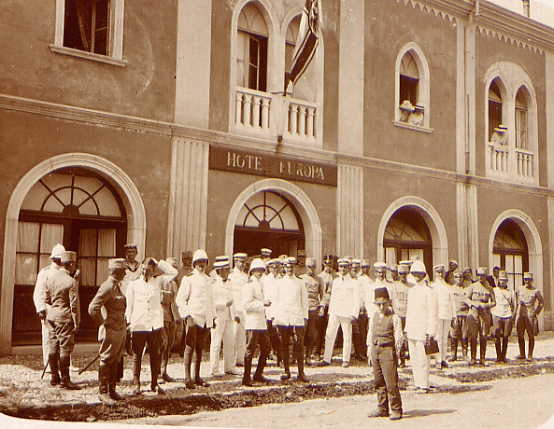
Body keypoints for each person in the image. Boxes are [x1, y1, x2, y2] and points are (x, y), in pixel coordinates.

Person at [126, 257, 178, 395]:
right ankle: (136, 383)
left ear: (153, 271)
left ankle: (154, 383)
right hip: (139, 323)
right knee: (137, 354)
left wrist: (158, 262)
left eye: (148, 270)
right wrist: (129, 322)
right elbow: (129, 306)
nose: (145, 272)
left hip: (155, 324)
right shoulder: (133, 285)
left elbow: (173, 273)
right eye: (143, 269)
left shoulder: (158, 282)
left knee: (156, 354)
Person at [38, 250, 81, 390]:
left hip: (51, 316)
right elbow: (74, 305)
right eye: (74, 264)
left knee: (53, 346)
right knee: (65, 349)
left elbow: (46, 299)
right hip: (64, 317)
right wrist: (76, 321)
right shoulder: (71, 281)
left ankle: (54, 377)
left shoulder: (50, 278)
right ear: (71, 264)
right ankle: (65, 379)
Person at [88, 258, 128, 404]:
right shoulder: (107, 287)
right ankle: (103, 392)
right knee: (106, 358)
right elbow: (93, 308)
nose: (125, 273)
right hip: (111, 330)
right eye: (123, 271)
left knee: (116, 359)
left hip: (119, 329)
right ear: (116, 272)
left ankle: (112, 390)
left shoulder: (117, 286)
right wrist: (103, 323)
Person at [176, 249, 215, 389]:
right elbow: (180, 300)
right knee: (189, 347)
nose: (201, 264)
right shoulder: (189, 279)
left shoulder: (209, 280)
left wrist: (213, 317)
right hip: (193, 318)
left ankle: (197, 377)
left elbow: (211, 300)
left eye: (203, 262)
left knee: (200, 349)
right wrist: (187, 316)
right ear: (194, 263)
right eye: (198, 262)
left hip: (205, 319)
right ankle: (187, 378)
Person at [367, 287, 404, 421]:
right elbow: (370, 333)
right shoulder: (373, 317)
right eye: (378, 304)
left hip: (388, 351)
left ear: (389, 302)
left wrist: (396, 355)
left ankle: (396, 409)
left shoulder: (395, 318)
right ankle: (382, 408)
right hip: (375, 350)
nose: (381, 307)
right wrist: (369, 351)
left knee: (391, 383)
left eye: (384, 303)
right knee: (378, 381)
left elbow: (398, 338)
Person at [275, 257, 309, 382]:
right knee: (284, 345)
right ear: (284, 268)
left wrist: (305, 317)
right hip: (283, 318)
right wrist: (275, 318)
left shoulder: (300, 282)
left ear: (295, 267)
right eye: (287, 267)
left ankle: (301, 372)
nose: (289, 269)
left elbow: (304, 301)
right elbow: (276, 301)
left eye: (291, 267)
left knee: (299, 345)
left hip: (297, 317)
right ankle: (286, 371)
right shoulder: (279, 282)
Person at [405, 260, 436, 393]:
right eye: (414, 273)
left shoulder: (429, 292)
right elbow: (409, 312)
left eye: (419, 273)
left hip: (423, 330)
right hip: (412, 328)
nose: (416, 276)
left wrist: (430, 331)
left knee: (423, 358)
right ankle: (417, 382)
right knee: (414, 357)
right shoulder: (412, 291)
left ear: (424, 274)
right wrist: (406, 329)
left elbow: (432, 313)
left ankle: (424, 384)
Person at [322, 258, 360, 368]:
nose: (342, 269)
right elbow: (333, 298)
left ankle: (346, 359)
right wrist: (330, 312)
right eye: (341, 267)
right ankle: (326, 358)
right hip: (335, 311)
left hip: (347, 313)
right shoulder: (336, 281)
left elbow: (357, 299)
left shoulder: (354, 282)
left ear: (348, 268)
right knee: (329, 334)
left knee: (347, 336)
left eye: (344, 267)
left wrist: (354, 314)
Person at [33, 243, 65, 371]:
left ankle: (63, 363)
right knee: (48, 337)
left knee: (63, 337)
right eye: (57, 258)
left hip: (61, 308)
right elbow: (38, 292)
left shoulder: (65, 272)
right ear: (53, 258)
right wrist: (41, 309)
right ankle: (49, 365)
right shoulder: (45, 273)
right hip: (49, 307)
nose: (59, 261)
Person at [241, 258, 271, 386]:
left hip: (261, 322)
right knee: (250, 350)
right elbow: (246, 305)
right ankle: (246, 378)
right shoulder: (249, 285)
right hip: (252, 322)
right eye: (257, 270)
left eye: (261, 270)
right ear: (252, 271)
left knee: (266, 348)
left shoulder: (261, 283)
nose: (259, 272)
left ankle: (258, 374)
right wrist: (262, 304)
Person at [210, 256, 240, 376]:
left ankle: (229, 367)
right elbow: (211, 302)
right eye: (223, 270)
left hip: (229, 316)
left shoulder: (230, 282)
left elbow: (233, 299)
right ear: (218, 271)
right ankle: (214, 368)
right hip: (218, 316)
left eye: (227, 269)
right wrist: (223, 304)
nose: (226, 272)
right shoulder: (213, 284)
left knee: (230, 341)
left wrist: (235, 313)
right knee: (216, 342)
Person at [465, 267, 496, 366]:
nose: (480, 277)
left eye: (482, 275)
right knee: (473, 336)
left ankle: (482, 358)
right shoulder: (473, 286)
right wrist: (473, 304)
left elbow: (494, 302)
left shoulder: (489, 288)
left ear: (486, 275)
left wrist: (486, 305)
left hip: (485, 314)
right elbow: (466, 299)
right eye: (479, 275)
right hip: (473, 313)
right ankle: (473, 358)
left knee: (483, 336)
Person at [159, 257, 181, 382]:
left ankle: (164, 370)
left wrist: (177, 318)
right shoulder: (160, 281)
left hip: (172, 318)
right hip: (162, 317)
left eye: (176, 267)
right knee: (162, 344)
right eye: (172, 267)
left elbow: (175, 302)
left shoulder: (174, 284)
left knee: (169, 346)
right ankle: (157, 372)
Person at [515, 272, 544, 361]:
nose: (527, 281)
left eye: (529, 279)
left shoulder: (536, 291)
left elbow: (541, 303)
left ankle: (530, 354)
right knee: (520, 334)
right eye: (525, 279)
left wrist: (536, 312)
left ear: (532, 280)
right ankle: (522, 353)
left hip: (530, 313)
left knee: (531, 335)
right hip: (520, 313)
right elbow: (515, 300)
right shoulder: (519, 289)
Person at [301, 257, 324, 365]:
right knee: (301, 333)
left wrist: (322, 307)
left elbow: (322, 296)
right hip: (302, 309)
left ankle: (308, 356)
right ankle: (298, 356)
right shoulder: (301, 278)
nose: (311, 269)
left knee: (311, 333)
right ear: (306, 267)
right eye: (309, 266)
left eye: (313, 267)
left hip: (314, 308)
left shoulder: (319, 279)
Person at [432, 264, 455, 370]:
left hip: (447, 314)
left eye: (442, 272)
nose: (440, 274)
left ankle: (443, 359)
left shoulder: (448, 287)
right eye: (438, 272)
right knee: (438, 338)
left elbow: (452, 302)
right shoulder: (433, 287)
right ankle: (438, 360)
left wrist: (454, 316)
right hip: (437, 315)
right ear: (435, 273)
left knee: (445, 338)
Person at [388, 264, 411, 367]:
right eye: (401, 273)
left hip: (409, 315)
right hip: (397, 314)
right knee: (398, 337)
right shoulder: (394, 286)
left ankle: (411, 356)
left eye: (405, 274)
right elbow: (390, 301)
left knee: (409, 337)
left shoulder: (411, 286)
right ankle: (401, 359)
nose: (403, 276)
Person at [492, 271, 516, 363]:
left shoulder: (511, 292)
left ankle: (503, 356)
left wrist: (513, 316)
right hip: (497, 314)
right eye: (501, 280)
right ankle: (498, 356)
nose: (502, 282)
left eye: (504, 280)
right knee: (496, 336)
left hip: (507, 315)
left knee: (505, 336)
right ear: (498, 280)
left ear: (507, 281)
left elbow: (514, 304)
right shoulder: (494, 290)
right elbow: (491, 302)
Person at [230, 252, 248, 367]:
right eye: (240, 262)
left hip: (244, 308)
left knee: (243, 335)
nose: (242, 264)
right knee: (233, 334)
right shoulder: (231, 276)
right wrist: (233, 310)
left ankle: (240, 359)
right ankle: (231, 360)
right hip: (234, 308)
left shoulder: (246, 277)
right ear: (235, 261)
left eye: (244, 262)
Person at [316, 255, 336, 361]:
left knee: (331, 330)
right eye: (326, 263)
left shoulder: (336, 276)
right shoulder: (320, 277)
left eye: (330, 263)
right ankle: (317, 351)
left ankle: (329, 352)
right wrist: (322, 306)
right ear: (323, 264)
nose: (328, 265)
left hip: (333, 305)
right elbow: (321, 293)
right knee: (321, 330)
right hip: (323, 305)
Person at [350, 259, 368, 361]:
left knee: (361, 331)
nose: (355, 269)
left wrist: (364, 306)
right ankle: (354, 352)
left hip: (361, 309)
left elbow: (366, 294)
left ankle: (361, 353)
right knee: (352, 332)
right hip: (350, 309)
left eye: (357, 267)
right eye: (353, 268)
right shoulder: (349, 279)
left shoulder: (364, 279)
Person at [450, 272, 469, 361]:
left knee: (464, 336)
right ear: (454, 278)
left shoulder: (467, 289)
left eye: (460, 277)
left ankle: (465, 355)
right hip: (455, 315)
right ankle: (453, 355)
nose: (458, 278)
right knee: (454, 335)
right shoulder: (451, 289)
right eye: (456, 277)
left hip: (465, 315)